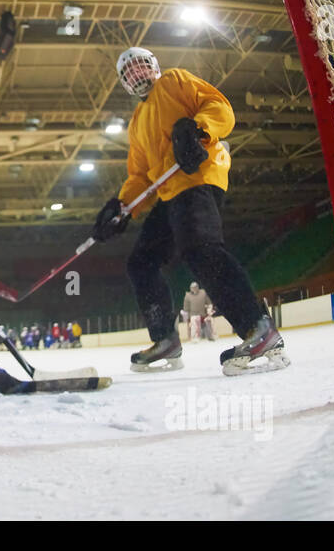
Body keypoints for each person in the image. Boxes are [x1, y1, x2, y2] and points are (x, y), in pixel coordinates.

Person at [90, 47, 289, 375]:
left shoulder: (174, 81)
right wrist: (122, 208)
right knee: (141, 262)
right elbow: (141, 177)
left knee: (199, 249)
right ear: (124, 84)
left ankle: (258, 328)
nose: (137, 75)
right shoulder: (138, 122)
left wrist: (198, 128)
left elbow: (219, 107)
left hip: (198, 178)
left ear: (153, 67)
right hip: (169, 193)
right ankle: (165, 338)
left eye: (141, 67)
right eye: (129, 74)